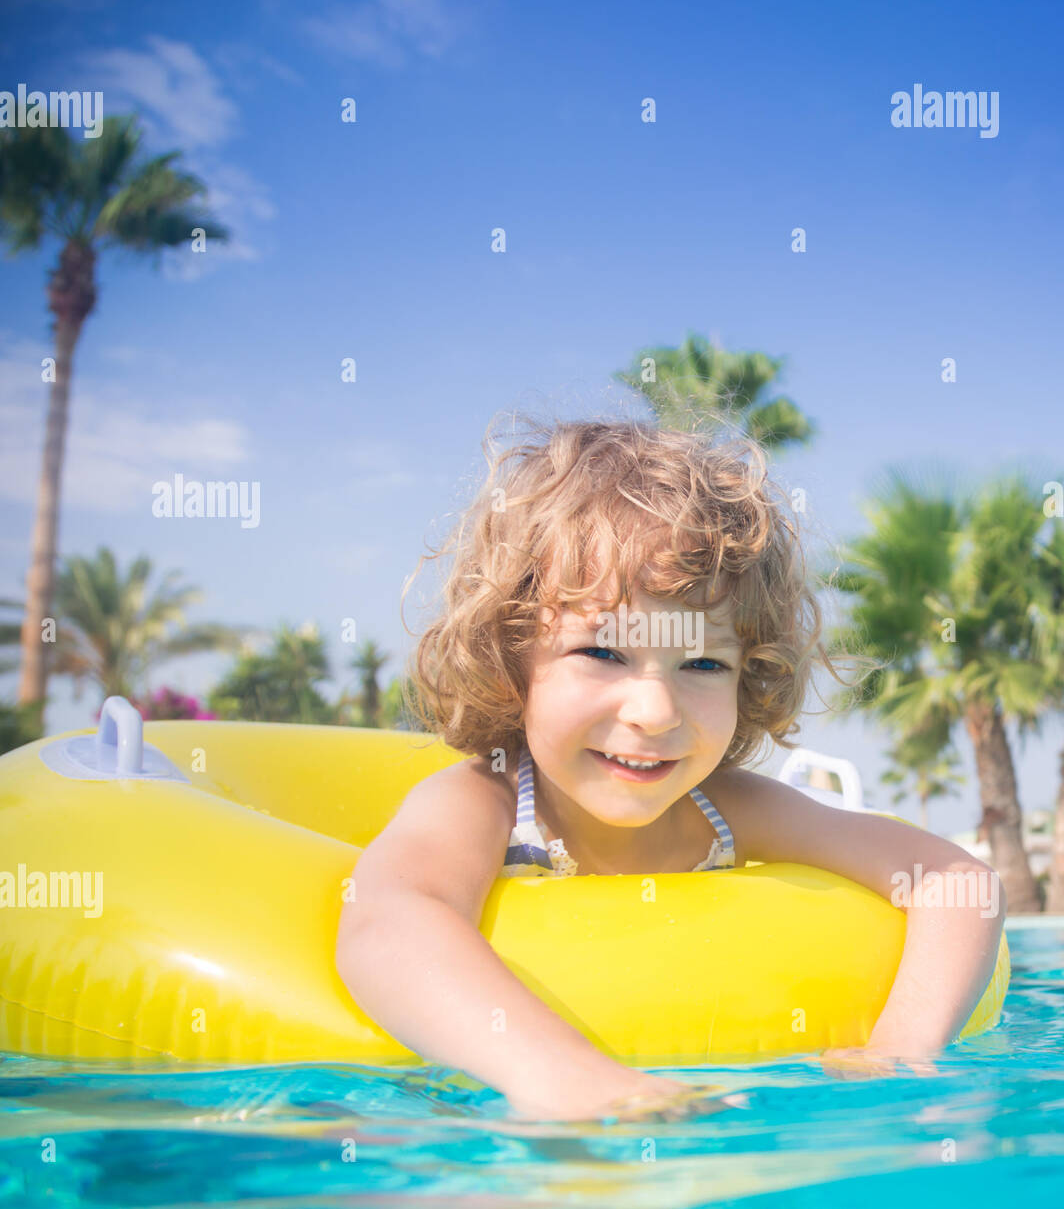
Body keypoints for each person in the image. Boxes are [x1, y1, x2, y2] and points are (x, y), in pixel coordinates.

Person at [336, 415, 1005, 1121]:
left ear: (748, 676)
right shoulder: (484, 800)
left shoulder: (730, 810)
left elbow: (957, 884)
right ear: (511, 657)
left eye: (704, 664)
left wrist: (899, 1053)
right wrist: (568, 1078)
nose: (655, 710)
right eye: (603, 653)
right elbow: (389, 919)